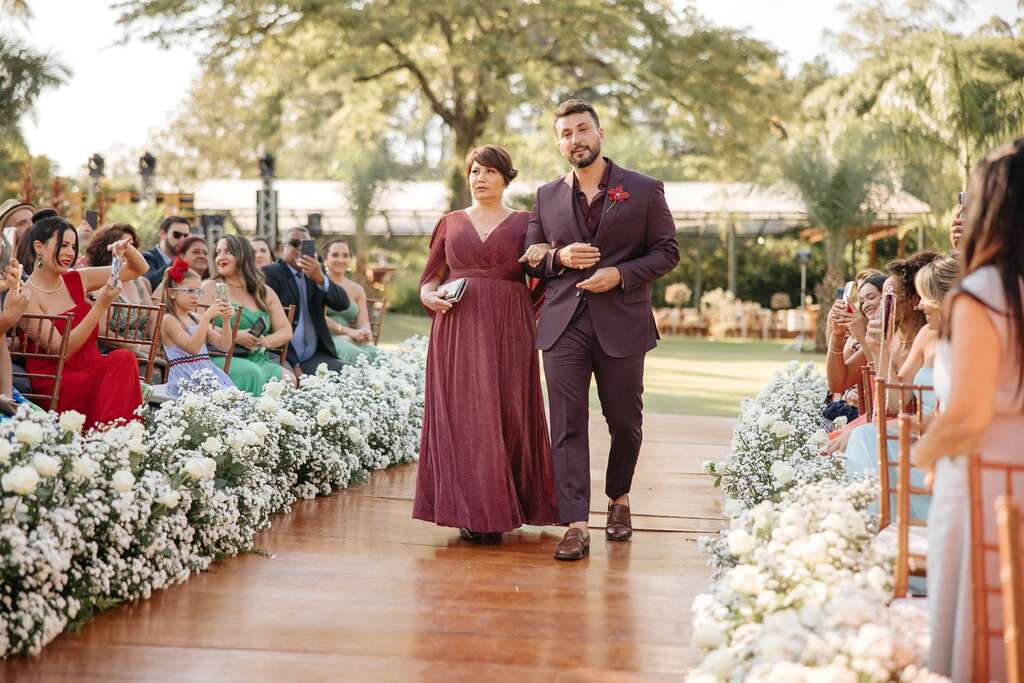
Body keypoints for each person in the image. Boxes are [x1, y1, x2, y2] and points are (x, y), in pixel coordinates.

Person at [523, 100, 680, 560]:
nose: (576, 139)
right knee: (566, 425)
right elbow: (530, 252)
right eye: (566, 133)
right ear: (559, 143)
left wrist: (622, 274)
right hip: (562, 325)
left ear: (600, 132)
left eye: (582, 129)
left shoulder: (644, 189)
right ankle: (574, 523)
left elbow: (668, 252)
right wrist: (559, 258)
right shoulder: (545, 195)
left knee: (625, 422)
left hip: (623, 323)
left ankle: (619, 499)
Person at [913, 139, 1024, 682]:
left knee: (978, 626)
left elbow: (967, 414)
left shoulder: (984, 292)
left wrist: (924, 454)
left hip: (984, 482)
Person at [415, 144, 558, 540]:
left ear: (506, 177)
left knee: (506, 412)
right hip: (456, 327)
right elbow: (430, 278)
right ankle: (471, 510)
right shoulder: (450, 221)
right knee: (464, 414)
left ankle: (506, 505)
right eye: (475, 172)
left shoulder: (528, 222)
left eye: (490, 172)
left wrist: (524, 313)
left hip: (508, 328)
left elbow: (546, 278)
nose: (480, 179)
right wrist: (428, 296)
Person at [18, 209, 147, 428]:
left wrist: (126, 249)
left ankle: (117, 442)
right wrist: (100, 305)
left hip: (94, 368)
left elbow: (138, 269)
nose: (70, 252)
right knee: (120, 361)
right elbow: (62, 350)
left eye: (73, 246)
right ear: (39, 247)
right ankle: (112, 442)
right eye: (63, 245)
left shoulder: (77, 278)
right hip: (59, 382)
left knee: (123, 359)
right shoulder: (25, 295)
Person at [201, 235, 294, 393]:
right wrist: (235, 335)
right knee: (251, 373)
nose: (220, 257)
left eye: (227, 252)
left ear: (243, 256)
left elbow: (286, 330)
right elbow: (197, 323)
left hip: (258, 358)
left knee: (288, 379)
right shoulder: (210, 287)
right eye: (218, 253)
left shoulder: (263, 292)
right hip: (220, 356)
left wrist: (264, 341)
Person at [262, 227, 350, 375]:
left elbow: (343, 303)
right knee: (286, 383)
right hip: (283, 355)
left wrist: (320, 278)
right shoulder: (271, 273)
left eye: (306, 245)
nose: (300, 249)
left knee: (353, 372)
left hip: (316, 355)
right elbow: (273, 324)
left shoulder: (316, 272)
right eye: (295, 243)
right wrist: (294, 362)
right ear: (283, 247)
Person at [159, 258, 235, 398]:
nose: (195, 296)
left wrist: (225, 320)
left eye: (198, 291)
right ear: (172, 293)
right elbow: (192, 348)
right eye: (190, 291)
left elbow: (224, 346)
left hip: (206, 372)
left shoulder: (196, 317)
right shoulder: (169, 320)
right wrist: (206, 318)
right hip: (185, 377)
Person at [87, 223, 155, 342]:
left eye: (131, 246)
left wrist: (154, 347)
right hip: (111, 351)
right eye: (123, 245)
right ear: (106, 248)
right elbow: (100, 329)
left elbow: (152, 320)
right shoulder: (98, 281)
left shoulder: (139, 281)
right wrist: (133, 347)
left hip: (144, 351)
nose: (129, 250)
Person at [322, 239, 378, 364]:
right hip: (326, 339)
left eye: (345, 255)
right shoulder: (320, 284)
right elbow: (319, 317)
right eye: (335, 255)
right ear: (325, 259)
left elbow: (363, 322)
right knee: (358, 355)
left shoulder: (357, 289)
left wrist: (364, 332)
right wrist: (349, 332)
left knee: (379, 355)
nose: (341, 260)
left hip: (350, 338)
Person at [151, 235, 210, 302]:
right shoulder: (169, 284)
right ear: (181, 256)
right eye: (195, 252)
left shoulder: (210, 285)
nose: (202, 256)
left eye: (205, 253)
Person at [143, 215, 192, 288]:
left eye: (186, 236)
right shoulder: (147, 257)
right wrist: (176, 263)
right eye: (177, 235)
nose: (182, 239)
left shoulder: (189, 259)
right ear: (162, 234)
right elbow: (149, 284)